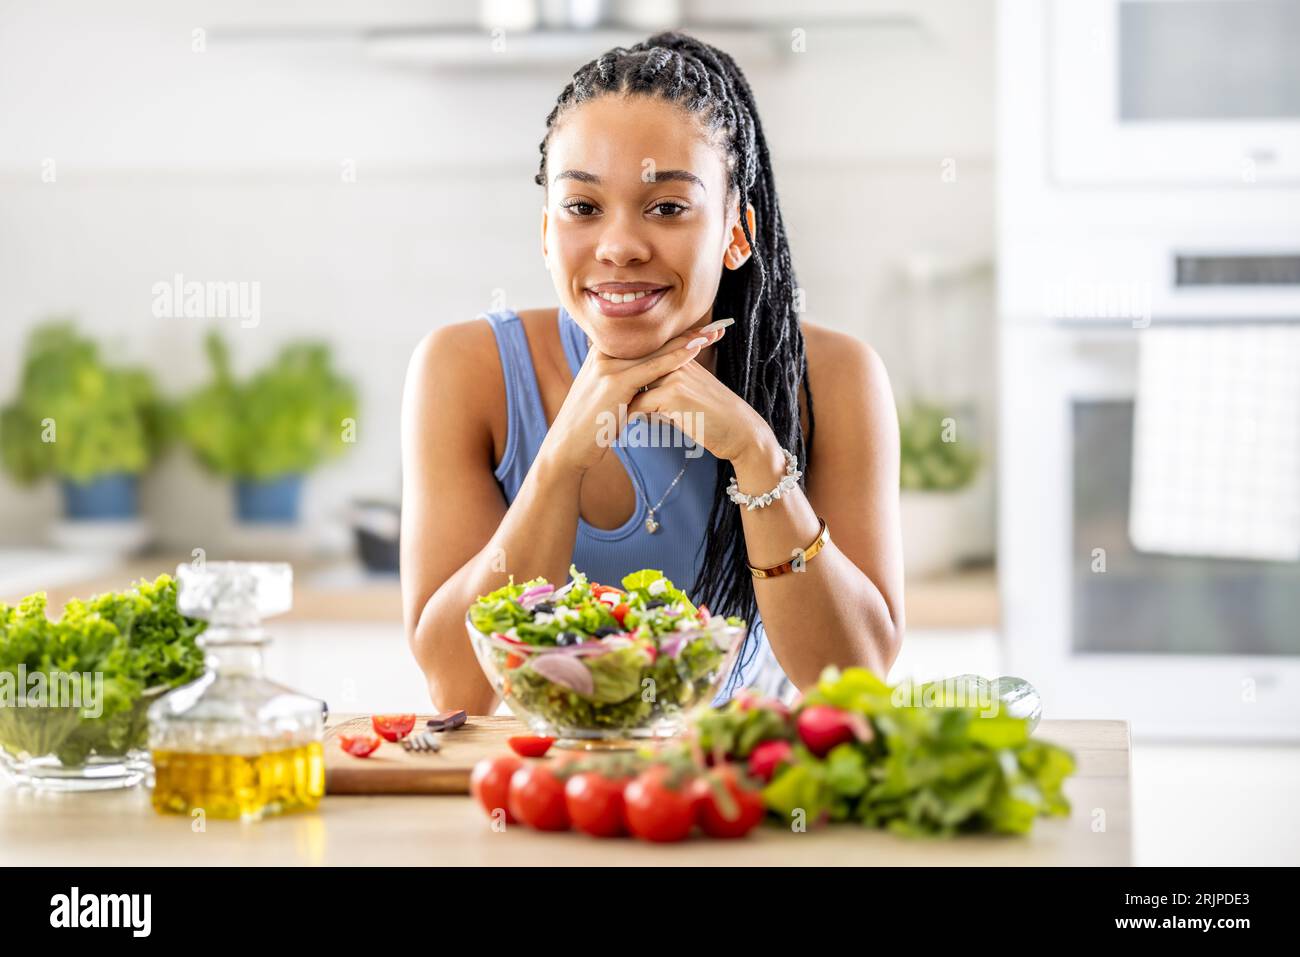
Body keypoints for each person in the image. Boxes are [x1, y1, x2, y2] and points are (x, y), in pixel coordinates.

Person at [401, 32, 903, 715]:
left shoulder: (835, 379)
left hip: (743, 799)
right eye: (582, 207)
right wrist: (560, 461)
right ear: (547, 231)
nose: (619, 247)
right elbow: (457, 688)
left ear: (735, 232)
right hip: (539, 799)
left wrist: (757, 456)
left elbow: (852, 675)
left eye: (667, 207)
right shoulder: (464, 370)